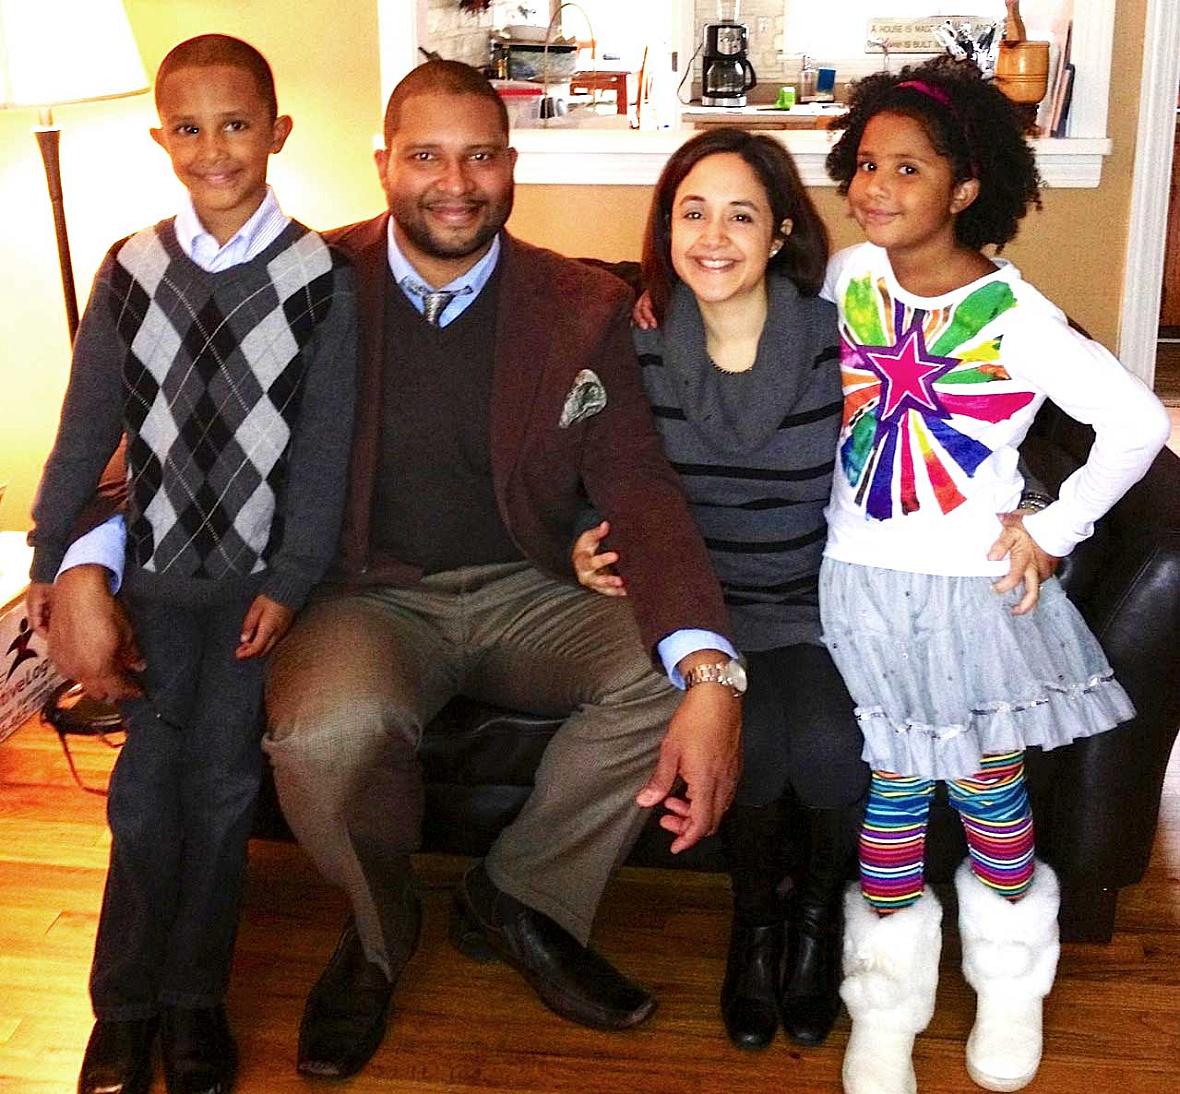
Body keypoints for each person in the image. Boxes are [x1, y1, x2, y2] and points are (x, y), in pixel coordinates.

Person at [45, 59, 742, 1082]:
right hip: (359, 594)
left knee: (668, 676)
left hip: (531, 587)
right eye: (424, 154)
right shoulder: (299, 283)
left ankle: (520, 896)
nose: (452, 181)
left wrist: (714, 672)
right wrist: (80, 563)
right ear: (382, 165)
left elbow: (640, 485)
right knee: (325, 733)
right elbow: (146, 447)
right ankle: (377, 935)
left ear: (512, 166)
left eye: (478, 156)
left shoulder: (581, 304)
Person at [820, 58, 1170, 1094]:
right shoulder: (848, 278)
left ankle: (1011, 978)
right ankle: (885, 1001)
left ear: (966, 188)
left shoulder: (1016, 316)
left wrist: (1055, 526)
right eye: (866, 163)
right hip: (858, 582)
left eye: (909, 168)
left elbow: (1138, 422)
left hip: (969, 595)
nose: (876, 185)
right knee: (889, 786)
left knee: (985, 784)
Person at [26, 34, 358, 1094]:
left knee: (219, 793)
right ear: (161, 136)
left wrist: (291, 575)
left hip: (248, 595)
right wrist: (52, 562)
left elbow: (322, 447)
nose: (214, 148)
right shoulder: (130, 270)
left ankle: (193, 999)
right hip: (152, 587)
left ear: (276, 132)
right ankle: (122, 1006)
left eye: (237, 124)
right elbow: (86, 434)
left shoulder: (320, 280)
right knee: (141, 795)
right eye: (190, 127)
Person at [575, 127, 868, 1052]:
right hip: (695, 617)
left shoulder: (843, 338)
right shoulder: (632, 343)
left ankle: (815, 923)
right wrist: (569, 544)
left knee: (823, 746)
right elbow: (579, 464)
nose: (713, 237)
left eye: (741, 215)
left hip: (818, 612)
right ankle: (758, 927)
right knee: (754, 747)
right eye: (692, 213)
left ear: (781, 232)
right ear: (665, 228)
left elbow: (947, 426)